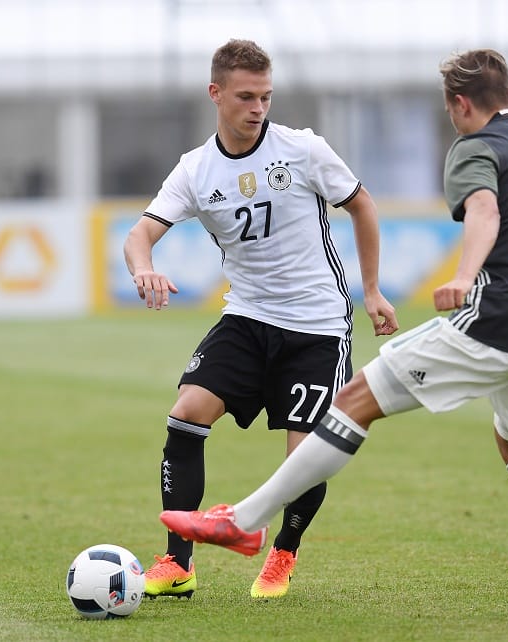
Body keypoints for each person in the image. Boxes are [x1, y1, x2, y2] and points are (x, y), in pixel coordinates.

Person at [160, 48, 508, 620]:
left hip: (494, 322)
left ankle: (244, 522)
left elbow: (483, 209)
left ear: (460, 104)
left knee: (354, 401)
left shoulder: (476, 147)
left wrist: (464, 275)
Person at [123, 38, 399, 600]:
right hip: (247, 316)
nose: (258, 108)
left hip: (318, 324)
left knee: (306, 456)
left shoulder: (302, 150)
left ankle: (282, 554)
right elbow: (140, 234)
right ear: (215, 93)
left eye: (266, 97)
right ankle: (178, 565)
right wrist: (143, 267)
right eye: (246, 96)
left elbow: (363, 206)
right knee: (185, 415)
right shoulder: (195, 170)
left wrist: (371, 290)